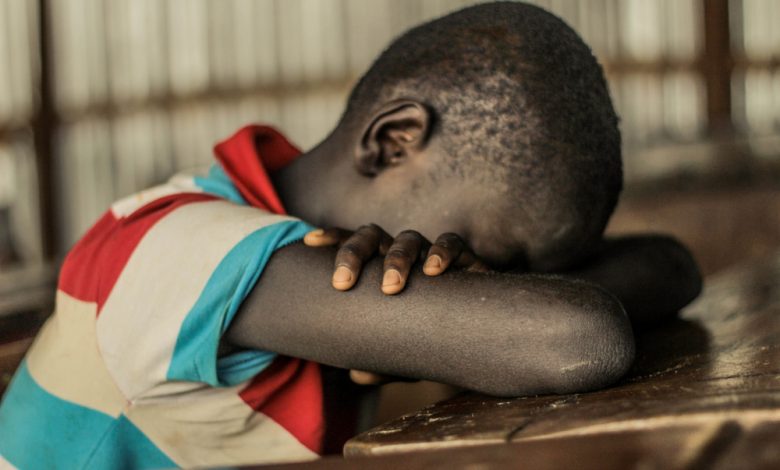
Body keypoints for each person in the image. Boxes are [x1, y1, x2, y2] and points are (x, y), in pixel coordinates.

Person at [0, 2, 701, 468]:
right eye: (496, 256)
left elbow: (671, 266)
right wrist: (485, 326)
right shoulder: (183, 248)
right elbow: (580, 341)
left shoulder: (310, 249)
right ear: (395, 141)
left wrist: (453, 324)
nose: (480, 278)